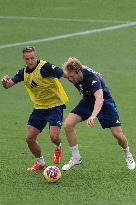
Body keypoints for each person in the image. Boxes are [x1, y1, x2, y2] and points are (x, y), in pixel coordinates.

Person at [61, 57, 135, 171]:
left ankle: (128, 154)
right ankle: (76, 157)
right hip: (87, 101)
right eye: (68, 76)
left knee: (117, 135)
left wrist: (93, 115)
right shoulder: (72, 75)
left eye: (71, 76)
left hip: (105, 103)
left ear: (78, 72)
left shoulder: (92, 79)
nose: (70, 79)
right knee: (68, 125)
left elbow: (99, 99)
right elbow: (63, 73)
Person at [1, 46, 68, 171]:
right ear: (24, 58)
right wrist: (4, 82)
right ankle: (40, 163)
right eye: (27, 59)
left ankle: (58, 146)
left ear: (36, 55)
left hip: (55, 105)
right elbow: (9, 85)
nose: (30, 61)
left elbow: (64, 74)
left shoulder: (45, 67)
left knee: (54, 137)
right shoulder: (23, 72)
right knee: (29, 138)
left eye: (32, 58)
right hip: (39, 108)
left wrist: (79, 82)